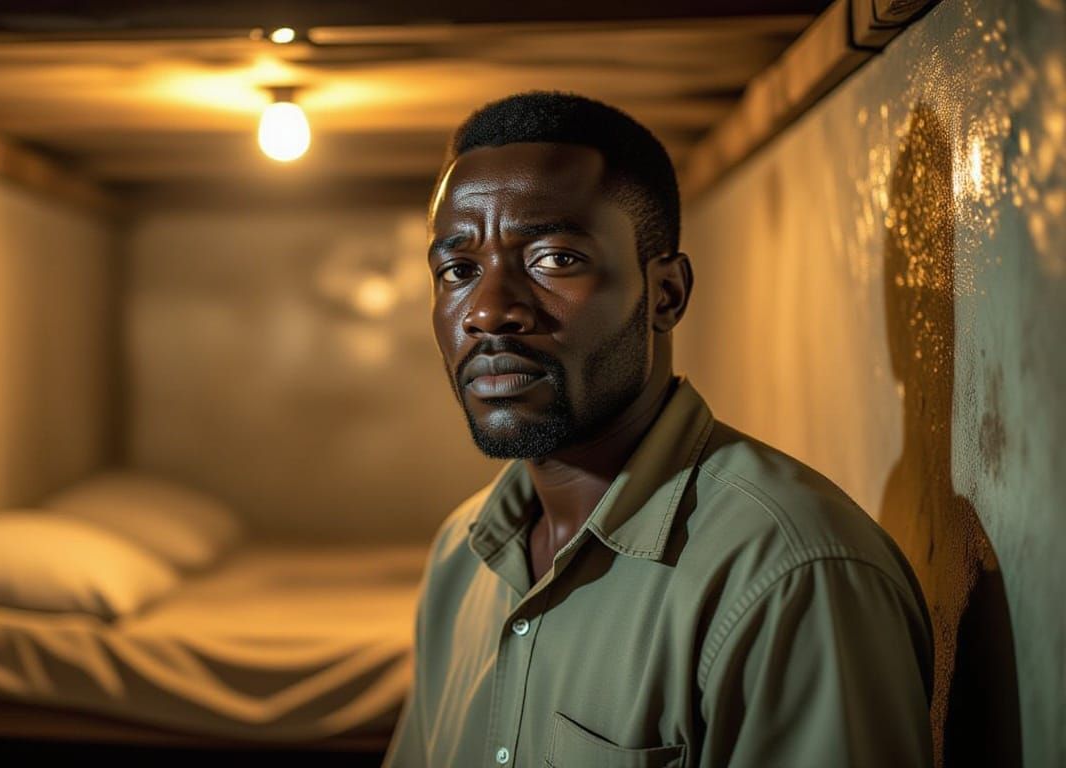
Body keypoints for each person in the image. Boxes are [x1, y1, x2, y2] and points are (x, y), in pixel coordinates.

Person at [383, 91, 933, 767]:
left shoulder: (792, 573)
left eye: (554, 259)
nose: (490, 311)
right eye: (459, 271)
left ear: (665, 294)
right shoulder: (457, 558)